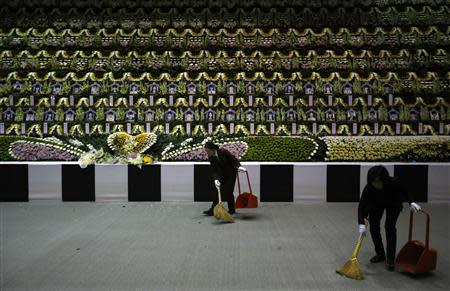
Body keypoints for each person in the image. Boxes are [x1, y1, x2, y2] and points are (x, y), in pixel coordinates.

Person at [358, 165, 421, 271]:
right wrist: (361, 224)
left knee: (390, 227)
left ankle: (390, 258)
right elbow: (362, 205)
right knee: (374, 227)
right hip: (376, 204)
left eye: (378, 181)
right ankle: (380, 254)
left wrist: (411, 202)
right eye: (373, 182)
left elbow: (406, 191)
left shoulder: (394, 182)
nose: (376, 184)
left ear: (384, 179)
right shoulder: (369, 187)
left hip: (393, 203)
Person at [203, 141, 245, 216]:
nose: (207, 153)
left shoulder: (223, 152)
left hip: (231, 174)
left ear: (212, 149)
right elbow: (214, 169)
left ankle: (232, 210)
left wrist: (239, 166)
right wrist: (216, 179)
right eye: (206, 151)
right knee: (217, 191)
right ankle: (213, 209)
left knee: (228, 191)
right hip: (221, 175)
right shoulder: (211, 157)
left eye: (208, 151)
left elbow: (233, 159)